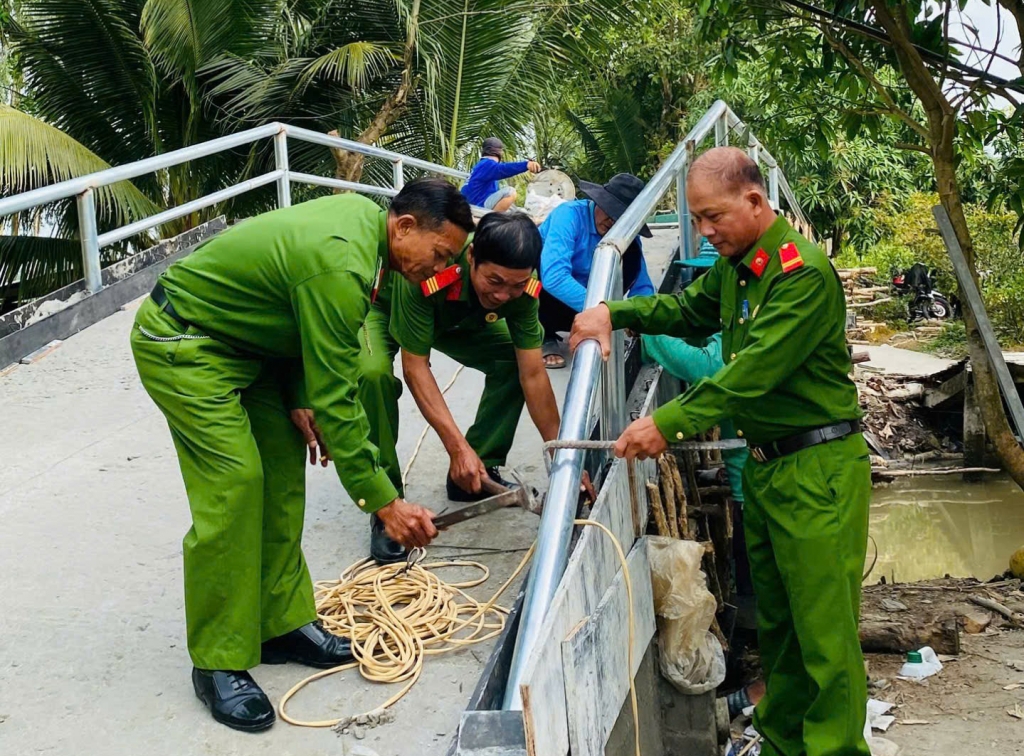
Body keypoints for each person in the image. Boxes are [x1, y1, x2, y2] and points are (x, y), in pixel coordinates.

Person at [130, 178, 474, 732]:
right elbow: (339, 397)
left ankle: (279, 623)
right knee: (237, 485)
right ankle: (217, 660)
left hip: (256, 348)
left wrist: (295, 397)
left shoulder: (368, 227)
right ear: (405, 226)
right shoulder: (343, 263)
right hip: (186, 343)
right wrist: (384, 501)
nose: (438, 269)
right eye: (439, 254)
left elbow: (286, 304)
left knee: (285, 476)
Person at [570, 146, 871, 756]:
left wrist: (667, 423)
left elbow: (750, 374)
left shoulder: (800, 274)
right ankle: (785, 745)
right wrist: (613, 311)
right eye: (696, 219)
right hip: (767, 469)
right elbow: (685, 310)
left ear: (754, 201)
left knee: (825, 638)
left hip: (818, 472)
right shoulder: (740, 267)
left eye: (712, 217)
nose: (703, 232)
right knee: (782, 631)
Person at [357, 212, 564, 562]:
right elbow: (415, 367)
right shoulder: (434, 268)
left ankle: (475, 474)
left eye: (515, 286)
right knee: (373, 375)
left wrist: (563, 455)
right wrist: (456, 447)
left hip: (458, 317)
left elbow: (533, 373)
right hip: (387, 306)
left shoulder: (521, 287)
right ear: (471, 259)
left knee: (511, 362)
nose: (504, 295)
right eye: (494, 281)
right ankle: (386, 504)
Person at [537, 172, 655, 368]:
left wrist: (641, 317)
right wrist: (611, 313)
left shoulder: (626, 234)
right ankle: (543, 334)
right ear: (598, 201)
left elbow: (641, 283)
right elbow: (554, 278)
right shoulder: (568, 215)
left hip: (591, 302)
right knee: (535, 267)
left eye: (620, 218)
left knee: (631, 252)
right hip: (548, 299)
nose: (612, 221)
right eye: (610, 211)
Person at [461, 137, 541, 212]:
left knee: (513, 210)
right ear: (499, 153)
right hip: (477, 206)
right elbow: (503, 169)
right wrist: (525, 165)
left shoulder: (480, 166)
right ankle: (491, 222)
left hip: (471, 205)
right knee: (510, 192)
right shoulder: (487, 164)